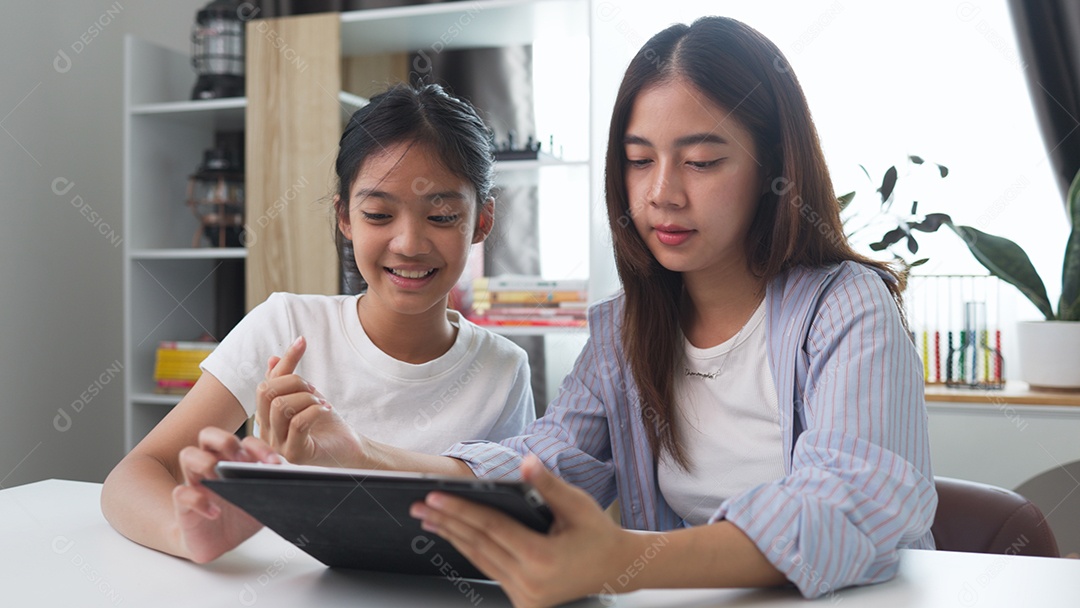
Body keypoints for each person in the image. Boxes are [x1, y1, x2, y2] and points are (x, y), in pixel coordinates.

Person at [190, 15, 936, 607]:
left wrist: (624, 563)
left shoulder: (847, 309)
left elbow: (848, 508)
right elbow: (544, 465)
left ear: (775, 168)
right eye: (639, 160)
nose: (661, 193)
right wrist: (363, 459)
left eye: (702, 161)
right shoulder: (627, 331)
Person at [100, 83, 536, 564]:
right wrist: (185, 533)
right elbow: (137, 471)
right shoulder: (287, 324)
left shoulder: (502, 368)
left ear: (481, 221)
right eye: (378, 214)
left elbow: (515, 518)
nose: (409, 242)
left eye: (442, 215)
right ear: (345, 216)